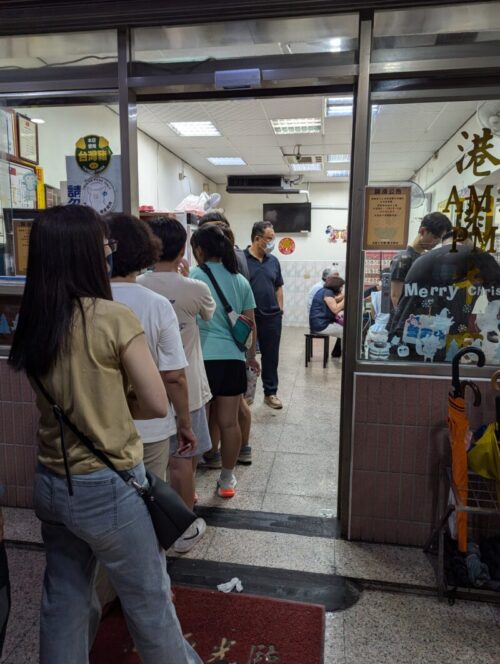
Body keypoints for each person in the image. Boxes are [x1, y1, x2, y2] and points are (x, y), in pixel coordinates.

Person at [8, 205, 201, 664]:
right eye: (103, 245)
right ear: (85, 253)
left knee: (65, 600)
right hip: (109, 486)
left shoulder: (33, 318)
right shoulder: (112, 318)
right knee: (149, 604)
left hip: (53, 482)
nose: (108, 252)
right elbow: (156, 402)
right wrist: (119, 401)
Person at [107, 213, 206, 554]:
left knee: (108, 512)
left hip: (97, 427)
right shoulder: (155, 305)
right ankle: (148, 575)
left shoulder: (86, 298)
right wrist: (184, 423)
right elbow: (174, 376)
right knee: (145, 505)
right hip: (148, 428)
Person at [137, 216, 217, 504]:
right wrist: (188, 275)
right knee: (183, 460)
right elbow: (209, 314)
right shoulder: (196, 288)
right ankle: (183, 525)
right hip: (189, 387)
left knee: (150, 463)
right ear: (182, 250)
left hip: (144, 389)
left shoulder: (136, 286)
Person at [190, 224, 259, 498]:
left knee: (200, 421)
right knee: (229, 423)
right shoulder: (239, 280)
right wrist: (251, 358)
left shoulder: (193, 277)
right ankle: (227, 481)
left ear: (199, 250)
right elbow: (251, 324)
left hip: (200, 360)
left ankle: (190, 485)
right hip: (231, 359)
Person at [389, 230, 500, 361]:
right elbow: (497, 300)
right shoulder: (478, 257)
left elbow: (400, 300)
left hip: (409, 340)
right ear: (468, 243)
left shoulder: (421, 260)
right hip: (448, 345)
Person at [244, 221, 284, 409]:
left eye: (272, 238)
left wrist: (280, 309)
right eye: (269, 239)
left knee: (271, 356)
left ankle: (271, 393)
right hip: (248, 317)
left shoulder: (273, 261)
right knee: (245, 355)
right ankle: (244, 394)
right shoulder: (241, 260)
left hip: (271, 317)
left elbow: (278, 286)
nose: (271, 243)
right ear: (257, 238)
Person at [390, 212, 452, 309]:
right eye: (435, 237)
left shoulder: (426, 258)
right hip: (408, 319)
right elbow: (395, 296)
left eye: (439, 239)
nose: (436, 242)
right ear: (422, 231)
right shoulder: (403, 258)